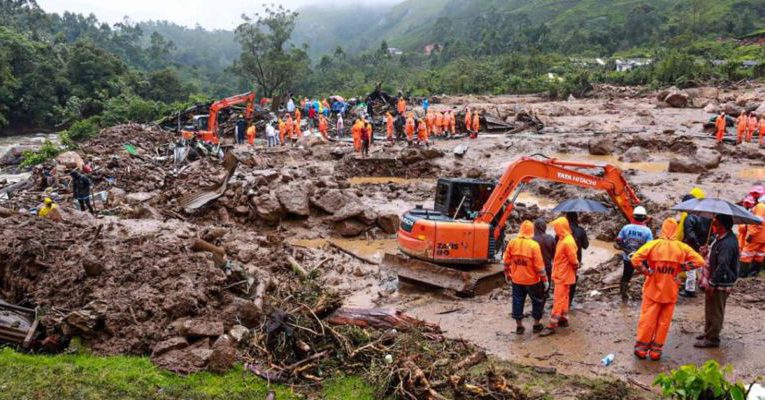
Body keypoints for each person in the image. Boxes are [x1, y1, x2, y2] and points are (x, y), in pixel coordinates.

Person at [631, 218, 705, 360]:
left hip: (653, 288)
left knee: (648, 319)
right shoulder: (682, 247)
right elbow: (700, 261)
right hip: (671, 290)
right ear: (676, 230)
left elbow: (635, 259)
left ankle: (641, 349)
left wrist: (647, 271)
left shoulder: (654, 245)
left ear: (663, 229)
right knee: (664, 322)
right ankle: (656, 351)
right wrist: (681, 268)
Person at [695, 214, 739, 348]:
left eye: (715, 224)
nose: (712, 226)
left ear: (722, 226)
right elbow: (715, 255)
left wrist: (712, 283)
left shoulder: (728, 243)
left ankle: (712, 338)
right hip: (715, 279)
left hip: (721, 281)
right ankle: (708, 332)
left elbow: (723, 265)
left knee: (716, 310)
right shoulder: (720, 238)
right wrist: (706, 251)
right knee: (710, 307)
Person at [504, 220, 549, 334]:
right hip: (532, 280)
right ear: (531, 231)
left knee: (517, 301)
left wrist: (507, 273)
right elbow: (539, 266)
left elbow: (506, 261)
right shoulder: (534, 245)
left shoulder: (512, 243)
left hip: (517, 279)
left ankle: (519, 326)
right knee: (537, 301)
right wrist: (545, 280)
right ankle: (536, 324)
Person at [540, 217, 578, 336]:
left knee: (558, 299)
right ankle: (563, 318)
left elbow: (573, 260)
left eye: (556, 228)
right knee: (564, 297)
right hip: (562, 273)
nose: (555, 230)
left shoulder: (567, 241)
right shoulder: (564, 239)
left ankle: (552, 325)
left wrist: (576, 266)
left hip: (563, 274)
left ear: (561, 228)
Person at [616, 206, 653, 302]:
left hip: (628, 258)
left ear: (633, 216)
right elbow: (649, 247)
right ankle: (647, 294)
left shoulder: (626, 227)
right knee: (648, 275)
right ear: (644, 217)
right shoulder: (647, 231)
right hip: (642, 259)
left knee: (626, 276)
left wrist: (628, 251)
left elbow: (619, 240)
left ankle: (624, 297)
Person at [678, 188, 710, 298]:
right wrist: (704, 244)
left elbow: (690, 234)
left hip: (693, 246)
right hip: (704, 245)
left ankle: (690, 290)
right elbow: (710, 231)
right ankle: (703, 284)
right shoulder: (706, 216)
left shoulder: (689, 218)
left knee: (691, 269)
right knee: (701, 266)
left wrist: (696, 246)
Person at [566, 212, 589, 307]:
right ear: (576, 219)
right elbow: (586, 246)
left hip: (563, 260)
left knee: (563, 281)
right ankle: (569, 302)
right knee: (573, 280)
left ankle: (562, 301)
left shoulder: (562, 231)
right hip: (576, 261)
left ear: (567, 219)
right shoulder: (581, 231)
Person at [739, 199, 765, 277]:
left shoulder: (760, 206)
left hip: (757, 236)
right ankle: (753, 273)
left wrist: (751, 234)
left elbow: (758, 222)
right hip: (763, 237)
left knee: (746, 254)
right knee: (760, 254)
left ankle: (742, 274)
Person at [532, 218, 557, 287]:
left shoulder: (532, 240)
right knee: (547, 283)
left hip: (535, 267)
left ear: (535, 228)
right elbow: (554, 254)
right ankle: (546, 294)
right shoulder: (550, 238)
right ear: (545, 227)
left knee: (537, 284)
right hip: (547, 265)